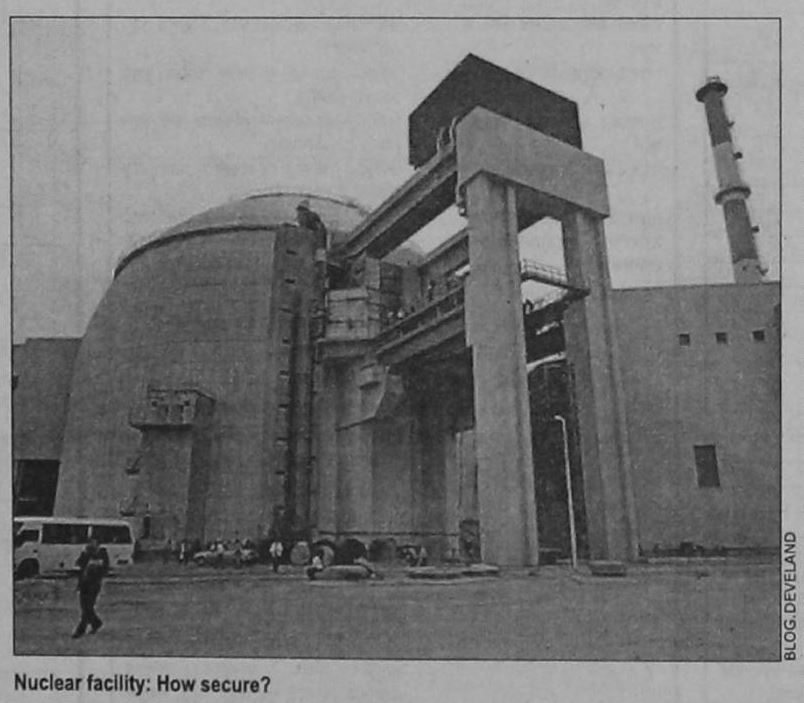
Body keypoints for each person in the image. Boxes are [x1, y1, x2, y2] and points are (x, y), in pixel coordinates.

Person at [72, 538, 109, 638]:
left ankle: (80, 630)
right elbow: (79, 564)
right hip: (84, 584)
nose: (91, 545)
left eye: (93, 543)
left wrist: (96, 570)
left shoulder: (102, 554)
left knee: (87, 608)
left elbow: (105, 569)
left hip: (94, 585)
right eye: (90, 543)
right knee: (85, 607)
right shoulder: (86, 553)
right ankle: (96, 623)